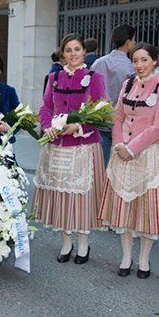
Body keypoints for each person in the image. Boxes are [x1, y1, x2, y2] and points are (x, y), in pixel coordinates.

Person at [98, 43, 159, 279]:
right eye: (135, 60)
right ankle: (126, 256)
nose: (139, 65)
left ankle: (144, 259)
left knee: (147, 209)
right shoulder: (128, 83)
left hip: (151, 154)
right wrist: (119, 144)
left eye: (144, 60)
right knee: (124, 208)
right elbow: (118, 117)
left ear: (155, 60)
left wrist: (132, 148)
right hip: (123, 151)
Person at [33, 33, 106, 265]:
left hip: (83, 145)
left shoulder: (94, 77)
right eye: (68, 50)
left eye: (77, 49)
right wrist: (47, 127)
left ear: (84, 52)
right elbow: (45, 107)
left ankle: (83, 243)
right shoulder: (54, 78)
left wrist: (77, 126)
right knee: (62, 195)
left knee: (81, 197)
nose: (73, 54)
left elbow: (100, 112)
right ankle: (66, 242)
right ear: (62, 54)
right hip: (57, 145)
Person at [91, 24, 136, 164]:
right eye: (133, 40)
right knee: (120, 168)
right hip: (122, 124)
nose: (134, 43)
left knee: (99, 166)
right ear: (128, 42)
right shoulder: (131, 67)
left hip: (100, 120)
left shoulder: (98, 63)